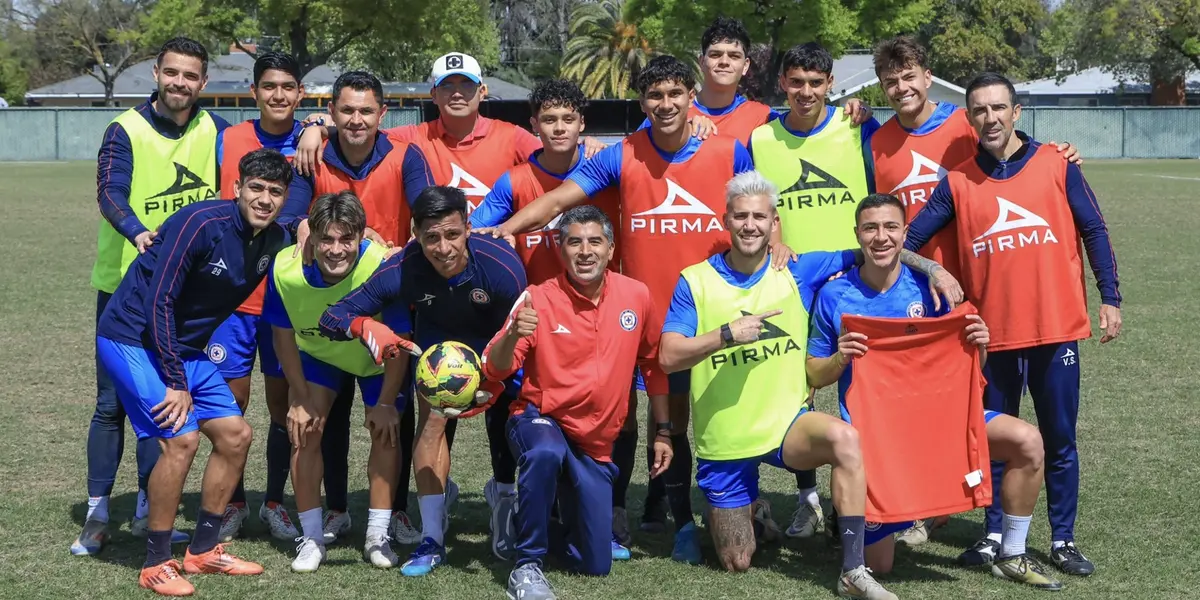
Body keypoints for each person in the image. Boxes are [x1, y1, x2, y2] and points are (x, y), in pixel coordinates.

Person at [492, 54, 754, 565]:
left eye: (675, 94)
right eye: (654, 96)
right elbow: (559, 200)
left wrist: (781, 246)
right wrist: (503, 230)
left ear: (690, 95)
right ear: (642, 102)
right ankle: (651, 517)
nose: (665, 104)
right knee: (639, 418)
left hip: (717, 304)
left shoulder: (727, 149)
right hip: (644, 313)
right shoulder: (621, 154)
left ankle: (736, 505)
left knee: (713, 417)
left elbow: (758, 206)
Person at [656, 171, 954, 600]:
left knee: (845, 439)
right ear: (726, 220)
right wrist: (725, 334)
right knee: (738, 560)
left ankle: (853, 569)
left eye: (760, 217)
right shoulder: (696, 280)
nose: (750, 225)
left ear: (774, 223)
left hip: (786, 427)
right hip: (726, 441)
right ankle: (754, 512)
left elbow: (875, 250)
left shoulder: (800, 268)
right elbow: (669, 355)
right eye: (741, 216)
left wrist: (933, 268)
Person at [868, 36, 1083, 547]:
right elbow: (892, 225)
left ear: (927, 76)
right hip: (914, 294)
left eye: (909, 76)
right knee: (924, 410)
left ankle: (1046, 536)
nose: (901, 87)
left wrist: (1058, 151)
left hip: (977, 300)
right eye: (890, 81)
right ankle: (923, 512)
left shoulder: (964, 123)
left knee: (998, 423)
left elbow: (1011, 146)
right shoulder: (872, 139)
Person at [905, 72, 1122, 577]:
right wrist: (936, 270)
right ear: (970, 117)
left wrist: (1110, 296)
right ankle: (995, 533)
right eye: (979, 110)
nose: (990, 118)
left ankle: (1063, 539)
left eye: (998, 108)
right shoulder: (957, 181)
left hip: (1055, 330)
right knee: (993, 441)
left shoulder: (1054, 164)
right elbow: (906, 242)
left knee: (1059, 438)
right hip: (991, 337)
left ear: (1017, 111)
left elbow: (1093, 227)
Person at [806, 193, 1063, 591]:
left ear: (905, 233)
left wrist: (979, 345)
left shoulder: (932, 290)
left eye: (891, 227)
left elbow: (967, 368)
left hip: (939, 422)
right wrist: (839, 359)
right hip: (878, 435)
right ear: (856, 234)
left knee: (1027, 441)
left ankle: (1011, 554)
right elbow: (813, 373)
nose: (880, 237)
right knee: (883, 565)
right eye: (871, 228)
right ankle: (855, 515)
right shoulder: (834, 296)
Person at [95, 148, 298, 596]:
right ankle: (155, 562)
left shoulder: (273, 240)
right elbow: (159, 301)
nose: (265, 199)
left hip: (183, 349)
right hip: (131, 337)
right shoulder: (199, 223)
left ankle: (203, 551)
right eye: (257, 189)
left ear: (285, 199)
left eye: (275, 192)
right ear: (237, 189)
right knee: (180, 439)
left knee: (235, 435)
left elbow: (315, 247)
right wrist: (174, 380)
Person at [318, 186, 527, 577]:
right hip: (438, 358)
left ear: (468, 227)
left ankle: (503, 499)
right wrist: (362, 325)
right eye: (431, 237)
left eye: (452, 234)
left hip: (496, 352)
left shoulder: (502, 266)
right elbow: (333, 316)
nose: (443, 247)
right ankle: (432, 538)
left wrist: (495, 381)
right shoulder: (403, 267)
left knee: (506, 423)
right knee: (431, 426)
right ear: (415, 234)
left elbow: (521, 335)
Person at [76, 35, 230, 556]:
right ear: (156, 75)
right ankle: (97, 514)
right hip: (123, 291)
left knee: (160, 404)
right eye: (172, 73)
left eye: (190, 76)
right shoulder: (125, 128)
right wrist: (139, 232)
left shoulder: (216, 131)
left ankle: (147, 508)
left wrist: (313, 128)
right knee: (108, 406)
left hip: (181, 296)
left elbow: (258, 162)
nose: (180, 83)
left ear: (203, 83)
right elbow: (109, 192)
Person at [482, 205, 673, 600]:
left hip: (594, 443)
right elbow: (497, 370)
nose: (585, 251)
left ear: (610, 248)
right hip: (539, 418)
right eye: (574, 242)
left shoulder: (636, 295)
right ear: (559, 248)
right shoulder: (536, 298)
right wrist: (512, 335)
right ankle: (527, 565)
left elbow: (654, 364)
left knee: (595, 564)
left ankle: (528, 514)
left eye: (595, 242)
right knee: (546, 453)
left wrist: (664, 431)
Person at [469, 78, 624, 558]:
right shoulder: (514, 180)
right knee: (514, 404)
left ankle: (605, 511)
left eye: (568, 119)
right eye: (549, 120)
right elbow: (483, 233)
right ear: (533, 125)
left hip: (597, 317)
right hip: (536, 318)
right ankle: (504, 495)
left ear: (583, 124)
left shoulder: (603, 173)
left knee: (610, 412)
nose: (558, 128)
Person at [287, 69, 435, 544]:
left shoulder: (405, 156)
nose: (356, 119)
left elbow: (427, 213)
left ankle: (394, 510)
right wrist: (306, 228)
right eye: (346, 110)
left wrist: (396, 245)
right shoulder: (313, 156)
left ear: (382, 115)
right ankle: (335, 509)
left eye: (366, 111)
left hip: (390, 295)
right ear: (330, 113)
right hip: (329, 299)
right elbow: (291, 216)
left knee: (393, 409)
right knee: (330, 409)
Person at [265, 191, 415, 572]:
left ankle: (377, 536)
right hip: (319, 354)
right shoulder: (285, 269)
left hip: (377, 360)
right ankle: (312, 538)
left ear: (362, 236)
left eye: (346, 239)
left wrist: (385, 404)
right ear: (310, 236)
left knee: (386, 432)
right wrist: (298, 397)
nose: (336, 249)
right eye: (327, 239)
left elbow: (397, 340)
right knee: (305, 429)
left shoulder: (383, 263)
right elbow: (282, 337)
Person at [204, 49, 313, 544]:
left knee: (281, 407)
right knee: (231, 407)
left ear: (300, 93)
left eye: (287, 86)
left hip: (283, 298)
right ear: (254, 92)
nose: (278, 95)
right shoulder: (229, 139)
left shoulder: (315, 140)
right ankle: (233, 504)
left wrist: (319, 125)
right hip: (230, 298)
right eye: (269, 86)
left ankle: (274, 502)